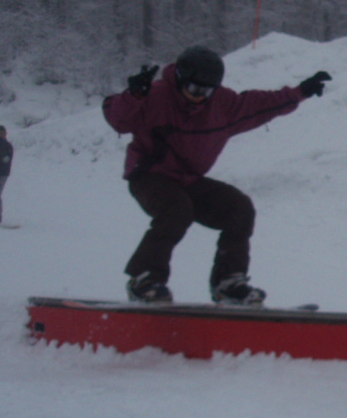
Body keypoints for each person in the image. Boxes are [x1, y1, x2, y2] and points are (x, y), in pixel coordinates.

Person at [102, 45, 331, 304]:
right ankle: (144, 280)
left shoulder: (223, 105)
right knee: (176, 209)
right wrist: (133, 96)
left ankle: (228, 283)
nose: (199, 96)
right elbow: (118, 119)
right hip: (149, 176)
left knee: (238, 208)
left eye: (207, 91)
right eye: (194, 89)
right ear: (179, 79)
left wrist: (301, 91)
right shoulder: (155, 96)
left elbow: (261, 104)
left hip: (189, 180)